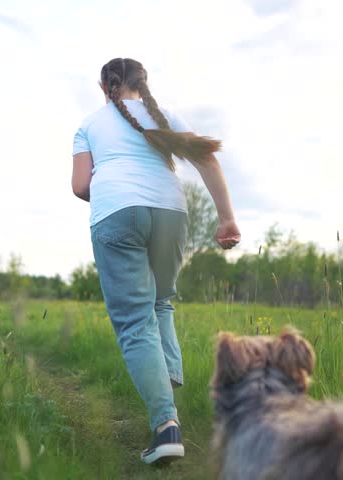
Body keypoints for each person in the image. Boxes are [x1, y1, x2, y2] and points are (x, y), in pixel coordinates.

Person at [71, 57, 241, 465]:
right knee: (160, 300)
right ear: (142, 83)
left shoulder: (90, 125)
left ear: (104, 85)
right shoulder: (168, 118)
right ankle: (167, 374)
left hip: (117, 213)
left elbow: (80, 186)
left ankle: (166, 425)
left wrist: (118, 194)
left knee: (133, 321)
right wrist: (227, 219)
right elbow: (207, 160)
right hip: (171, 212)